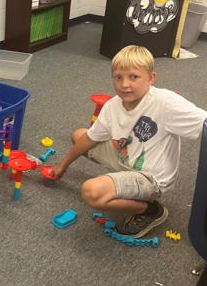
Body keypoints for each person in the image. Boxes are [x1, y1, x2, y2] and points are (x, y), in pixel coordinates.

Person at [51, 45, 207, 238]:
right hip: (125, 159)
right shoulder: (112, 105)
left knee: (91, 191)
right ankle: (123, 184)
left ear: (151, 78)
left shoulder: (166, 103)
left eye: (134, 77)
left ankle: (150, 210)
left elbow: (204, 124)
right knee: (79, 135)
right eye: (118, 77)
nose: (124, 85)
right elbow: (90, 138)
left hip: (150, 178)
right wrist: (63, 165)